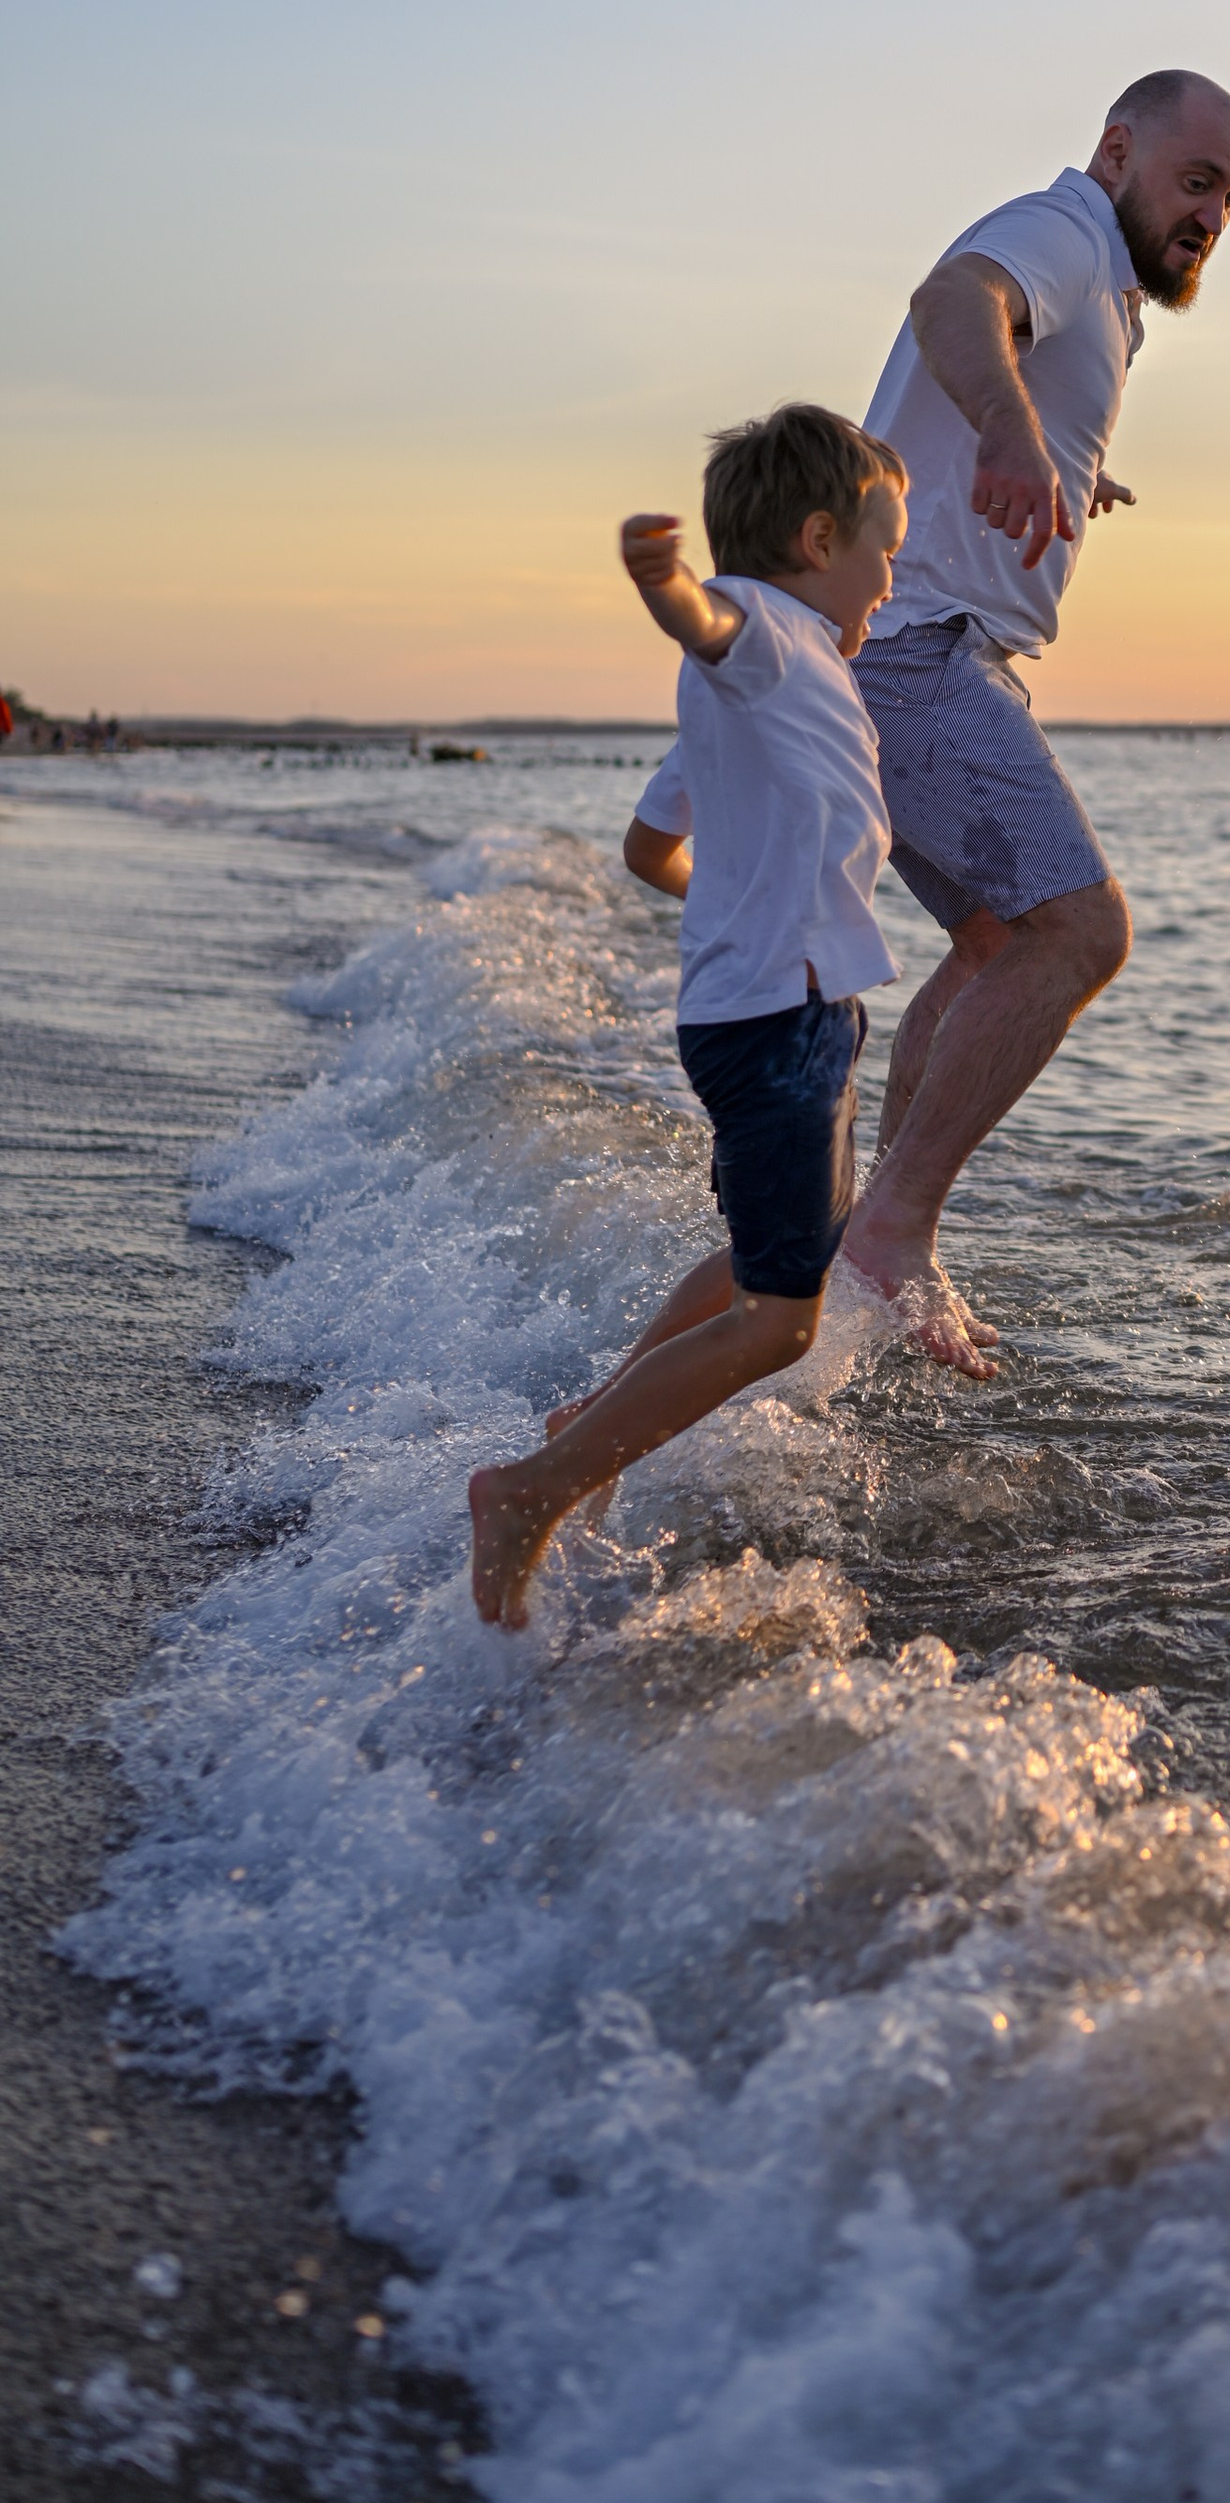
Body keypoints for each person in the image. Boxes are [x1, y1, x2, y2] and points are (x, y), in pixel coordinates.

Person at [828, 68, 1230, 1362]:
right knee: (1078, 934)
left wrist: (1065, 458)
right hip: (917, 650)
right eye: (1195, 183)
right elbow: (956, 302)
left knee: (995, 942)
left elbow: (1007, 368)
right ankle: (892, 1232)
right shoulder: (1060, 230)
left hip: (919, 651)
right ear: (1118, 151)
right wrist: (1014, 439)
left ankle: (870, 1250)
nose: (1211, 219)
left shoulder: (1107, 295)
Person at [466, 403, 907, 1630]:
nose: (890, 579)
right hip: (775, 1021)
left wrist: (731, 901)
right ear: (818, 541)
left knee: (784, 1260)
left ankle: (585, 1424)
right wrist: (665, 584)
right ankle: (534, 1490)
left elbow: (648, 844)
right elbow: (709, 623)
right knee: (779, 1322)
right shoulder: (763, 633)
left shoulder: (761, 702)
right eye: (884, 551)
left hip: (795, 1013)